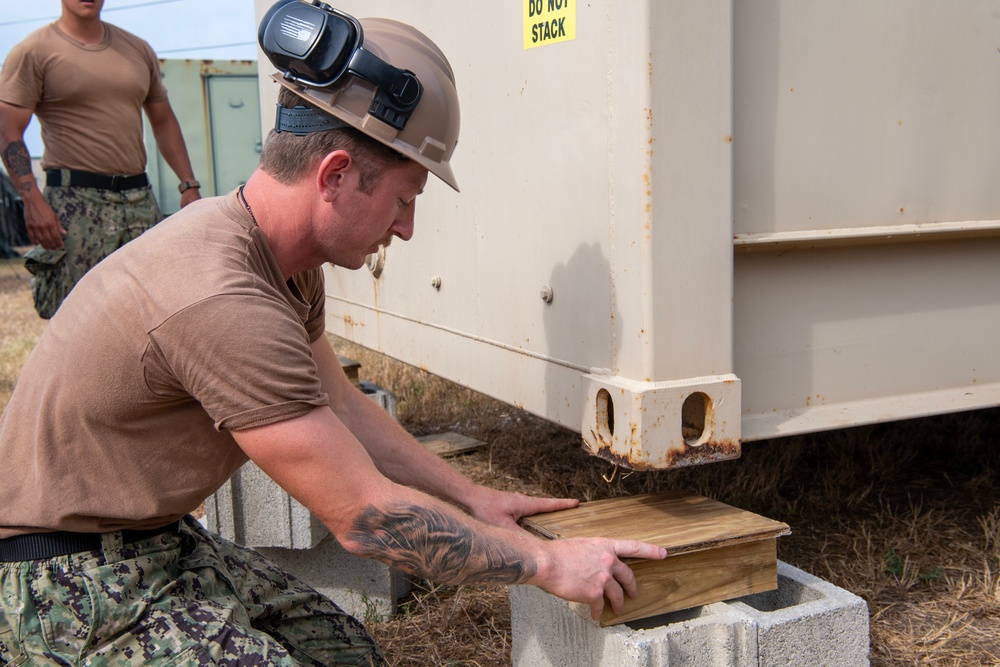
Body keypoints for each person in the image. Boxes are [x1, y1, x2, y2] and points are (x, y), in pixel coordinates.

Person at [0, 3, 666, 664]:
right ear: (336, 174)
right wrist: (548, 563)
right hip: (58, 576)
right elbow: (368, 517)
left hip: (150, 536)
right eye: (405, 198)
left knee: (346, 651)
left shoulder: (279, 258)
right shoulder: (221, 295)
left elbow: (342, 407)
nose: (405, 227)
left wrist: (472, 496)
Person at [0, 0, 201, 319]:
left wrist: (189, 185)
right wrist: (32, 201)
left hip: (138, 202)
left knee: (150, 314)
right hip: (75, 205)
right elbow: (8, 131)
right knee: (76, 320)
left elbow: (163, 120)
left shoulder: (136, 49)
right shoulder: (34, 52)